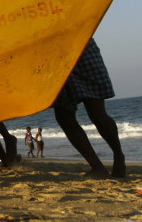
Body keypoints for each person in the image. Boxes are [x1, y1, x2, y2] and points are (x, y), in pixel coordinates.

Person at [53, 38, 126, 178]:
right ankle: (107, 162)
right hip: (61, 52)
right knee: (69, 115)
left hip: (74, 47)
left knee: (91, 114)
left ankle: (109, 161)